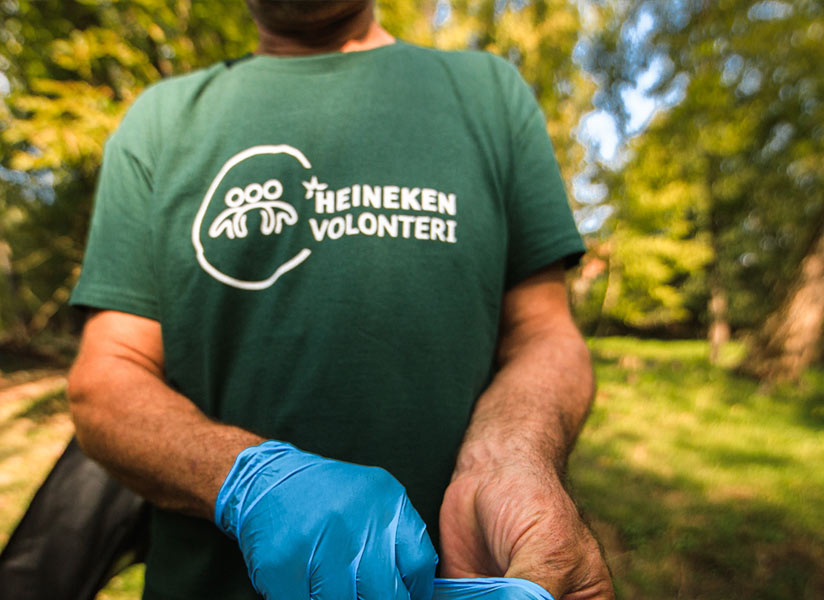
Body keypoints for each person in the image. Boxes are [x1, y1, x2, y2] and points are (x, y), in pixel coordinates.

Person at [66, 1, 615, 599]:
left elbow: (545, 333)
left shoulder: (488, 93)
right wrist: (245, 479)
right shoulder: (160, 118)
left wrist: (510, 457)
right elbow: (106, 380)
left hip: (461, 578)